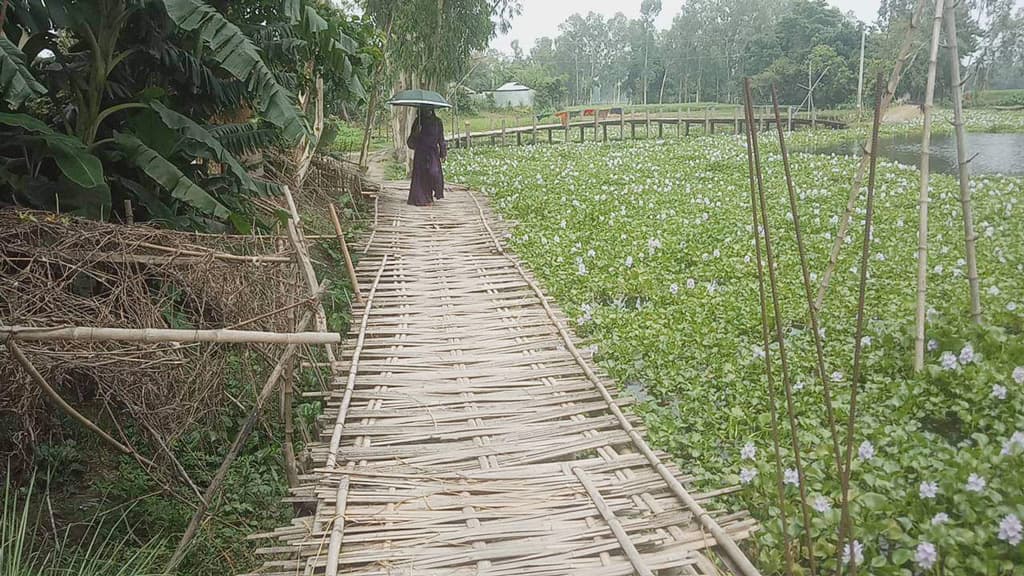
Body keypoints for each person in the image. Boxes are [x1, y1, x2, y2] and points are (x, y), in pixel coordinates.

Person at [406, 107, 447, 206]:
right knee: (421, 176)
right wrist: (416, 133)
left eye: (428, 110)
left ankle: (432, 194)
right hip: (420, 153)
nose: (426, 112)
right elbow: (410, 142)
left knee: (434, 173)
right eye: (424, 110)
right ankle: (422, 199)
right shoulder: (418, 122)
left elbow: (441, 139)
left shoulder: (437, 122)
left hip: (433, 153)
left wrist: (443, 152)